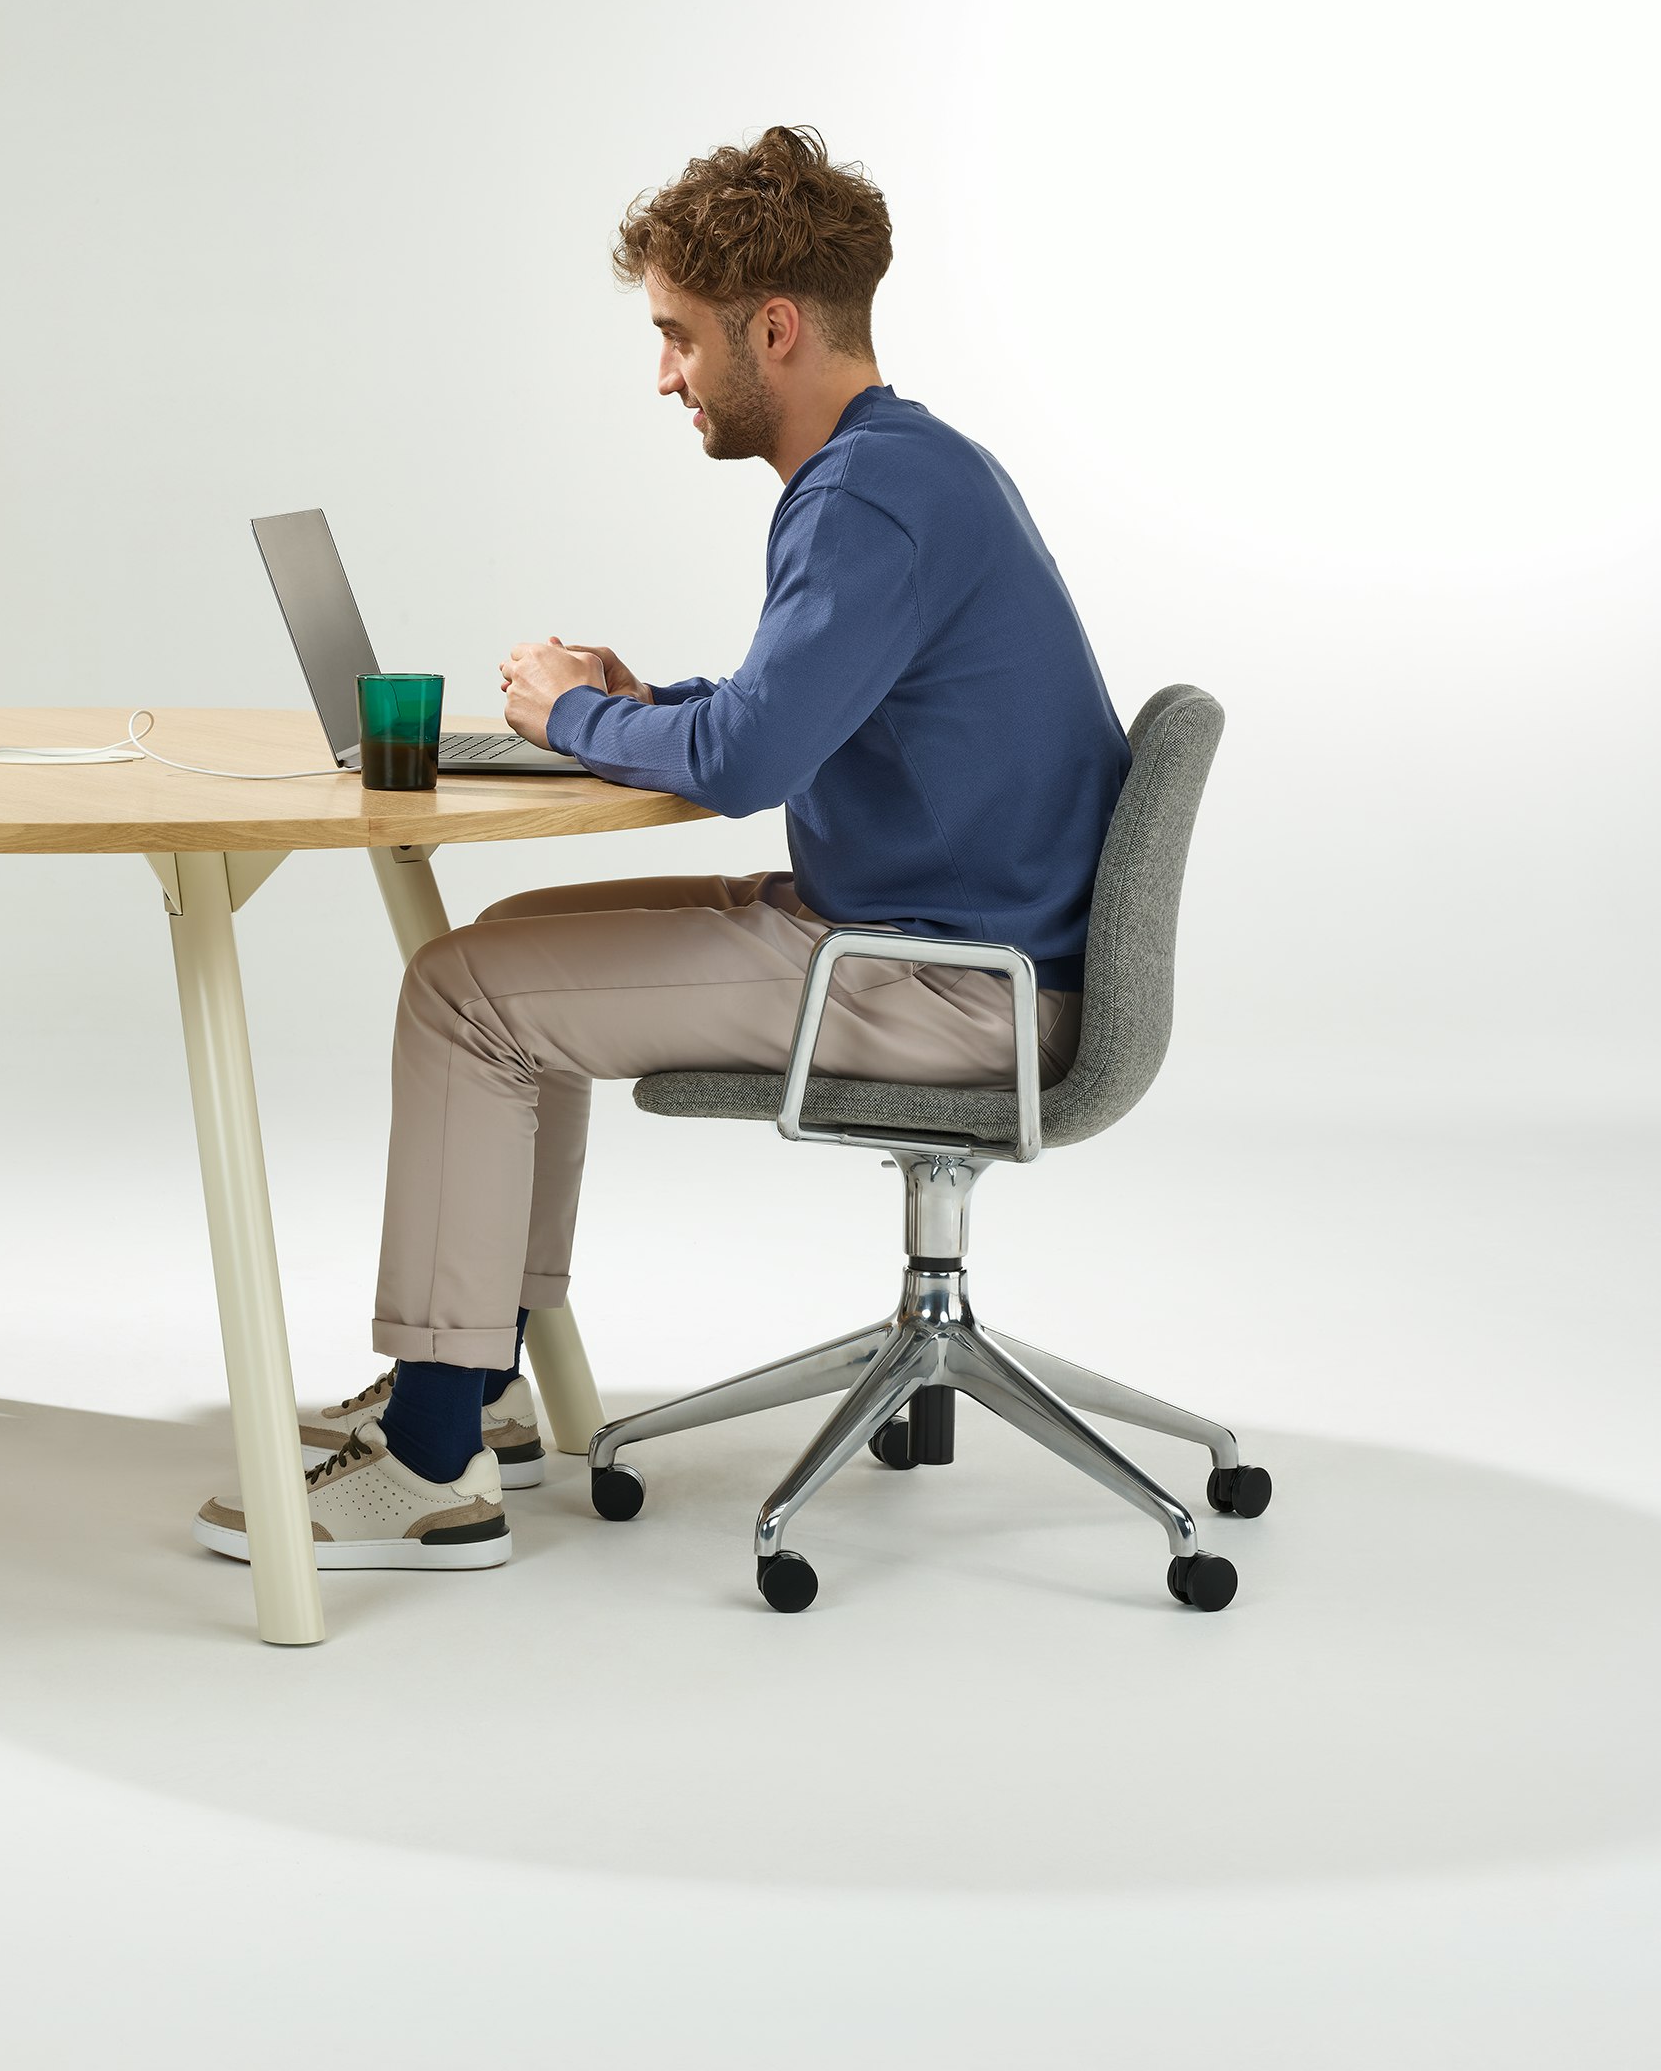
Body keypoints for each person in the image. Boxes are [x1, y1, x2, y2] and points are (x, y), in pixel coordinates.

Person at [195, 126, 1128, 1571]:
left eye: (679, 337)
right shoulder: (904, 470)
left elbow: (754, 763)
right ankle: (480, 1380)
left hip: (948, 981)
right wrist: (638, 710)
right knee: (496, 958)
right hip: (942, 942)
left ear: (774, 327)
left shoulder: (867, 495)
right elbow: (785, 715)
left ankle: (431, 1463)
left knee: (463, 998)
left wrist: (574, 711)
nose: (666, 376)